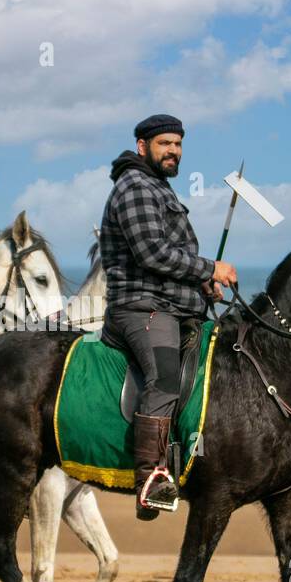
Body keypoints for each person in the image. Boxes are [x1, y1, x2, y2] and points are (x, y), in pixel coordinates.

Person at [97, 114, 237, 520]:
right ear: (143, 146)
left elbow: (172, 261)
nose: (173, 151)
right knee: (166, 376)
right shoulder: (135, 187)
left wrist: (201, 286)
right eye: (164, 144)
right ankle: (150, 478)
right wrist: (209, 269)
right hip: (141, 306)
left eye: (177, 144)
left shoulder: (157, 188)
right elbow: (151, 254)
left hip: (174, 304)